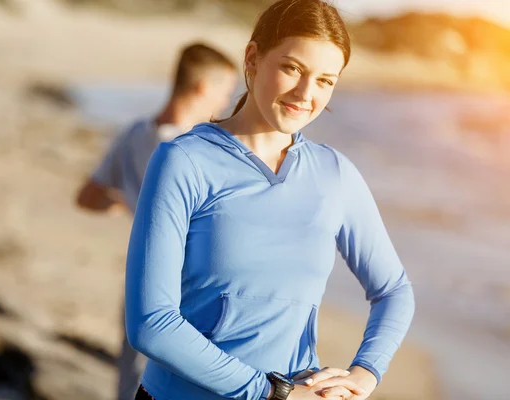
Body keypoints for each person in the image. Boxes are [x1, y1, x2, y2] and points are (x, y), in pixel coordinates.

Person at [125, 1, 415, 400]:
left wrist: (365, 372)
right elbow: (151, 324)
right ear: (253, 58)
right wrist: (271, 393)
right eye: (292, 68)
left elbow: (393, 290)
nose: (305, 94)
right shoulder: (184, 160)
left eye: (325, 81)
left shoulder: (335, 174)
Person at [75, 43, 237, 400]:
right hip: (187, 287)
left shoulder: (135, 133)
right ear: (201, 88)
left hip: (141, 276)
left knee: (133, 378)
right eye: (225, 92)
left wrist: (130, 203)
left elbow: (87, 196)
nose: (226, 104)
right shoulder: (192, 150)